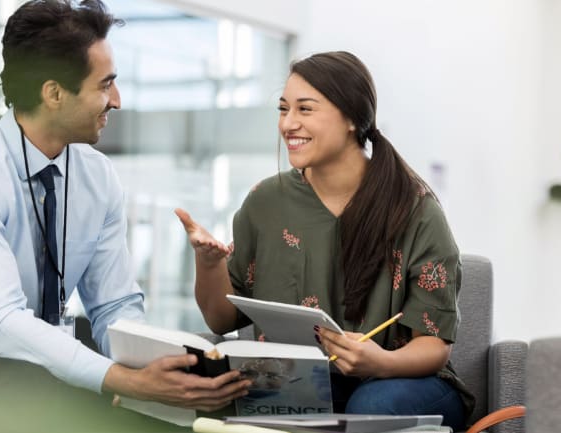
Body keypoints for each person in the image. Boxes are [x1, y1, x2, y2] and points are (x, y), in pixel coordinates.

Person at [0, 0, 249, 412]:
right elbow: (1, 323)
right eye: (105, 85)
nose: (118, 101)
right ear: (53, 93)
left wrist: (161, 373)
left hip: (47, 370)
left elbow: (114, 305)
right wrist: (125, 381)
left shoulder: (96, 175)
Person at [177, 51, 473, 430]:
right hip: (302, 383)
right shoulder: (265, 203)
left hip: (403, 382)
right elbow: (220, 318)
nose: (288, 124)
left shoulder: (414, 208)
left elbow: (433, 344)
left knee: (372, 404)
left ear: (351, 118)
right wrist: (208, 263)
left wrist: (379, 361)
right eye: (283, 109)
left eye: (305, 109)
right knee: (221, 395)